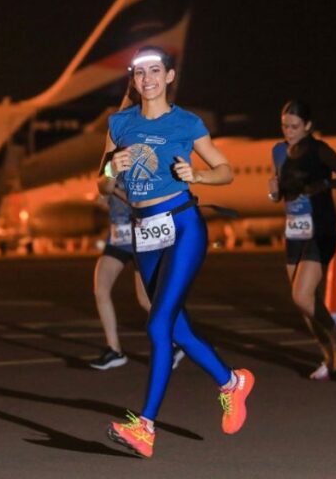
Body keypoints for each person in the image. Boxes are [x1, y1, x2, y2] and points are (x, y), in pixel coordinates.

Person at [100, 46, 253, 458]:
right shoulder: (119, 123)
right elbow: (101, 183)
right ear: (133, 80)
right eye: (139, 72)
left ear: (169, 77)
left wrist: (197, 173)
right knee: (177, 327)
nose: (147, 78)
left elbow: (226, 169)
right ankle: (230, 381)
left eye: (155, 70)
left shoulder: (187, 123)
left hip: (183, 226)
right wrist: (114, 165)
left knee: (158, 324)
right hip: (143, 232)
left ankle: (145, 425)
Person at [268, 100, 336, 380]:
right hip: (294, 229)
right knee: (304, 302)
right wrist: (273, 192)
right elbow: (281, 192)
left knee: (302, 294)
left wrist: (327, 184)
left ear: (308, 126)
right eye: (285, 126)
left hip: (321, 228)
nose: (289, 131)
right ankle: (328, 353)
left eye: (295, 126)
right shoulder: (278, 151)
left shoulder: (318, 149)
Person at [89, 188, 152, 369]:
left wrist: (114, 189)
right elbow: (101, 200)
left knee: (145, 301)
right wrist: (104, 193)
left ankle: (175, 341)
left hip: (141, 238)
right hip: (117, 239)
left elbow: (141, 201)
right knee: (101, 290)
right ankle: (114, 350)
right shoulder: (110, 167)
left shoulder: (142, 165)